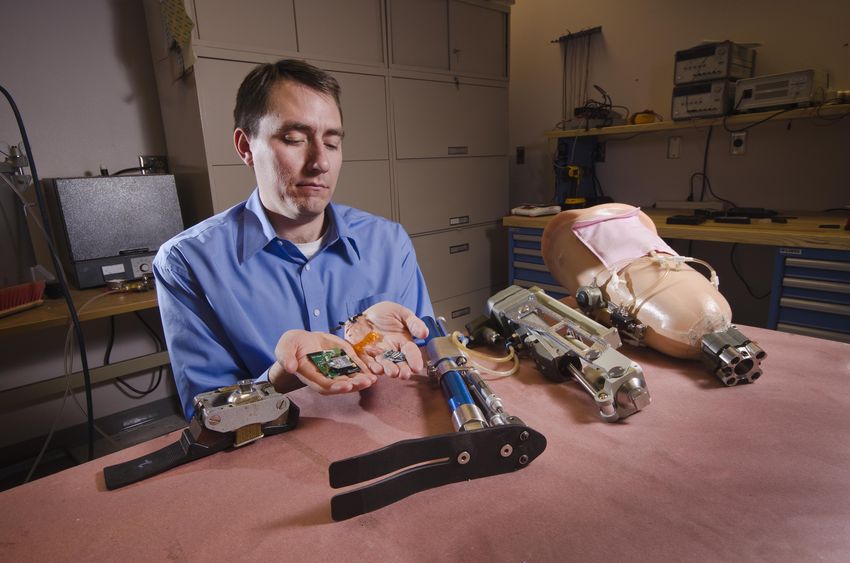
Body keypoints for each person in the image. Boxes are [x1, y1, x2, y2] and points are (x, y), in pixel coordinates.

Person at [154, 59, 434, 419]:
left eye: (332, 143)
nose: (320, 163)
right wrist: (280, 379)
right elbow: (208, 413)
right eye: (294, 139)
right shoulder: (188, 262)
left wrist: (388, 348)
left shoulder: (388, 242)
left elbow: (424, 353)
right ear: (245, 147)